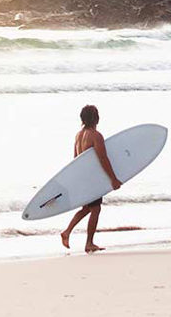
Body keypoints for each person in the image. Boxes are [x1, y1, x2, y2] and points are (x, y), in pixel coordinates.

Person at [61, 105, 122, 253]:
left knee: (88, 208)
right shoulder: (96, 136)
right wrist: (113, 179)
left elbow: (75, 159)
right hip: (90, 179)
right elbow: (103, 158)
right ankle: (89, 243)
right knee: (95, 208)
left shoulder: (78, 135)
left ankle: (67, 232)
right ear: (96, 118)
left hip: (82, 177)